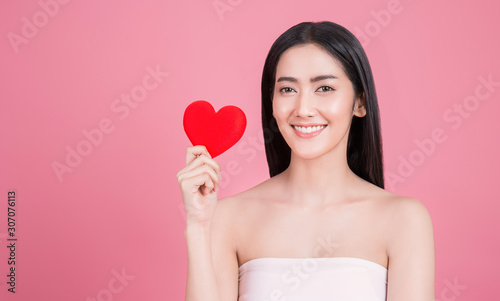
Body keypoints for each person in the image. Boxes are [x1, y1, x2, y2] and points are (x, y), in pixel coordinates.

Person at [177, 21, 435, 301]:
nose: (303, 109)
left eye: (324, 88)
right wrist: (199, 227)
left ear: (359, 102)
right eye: (288, 90)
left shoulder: (404, 219)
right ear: (272, 103)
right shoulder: (228, 217)